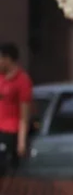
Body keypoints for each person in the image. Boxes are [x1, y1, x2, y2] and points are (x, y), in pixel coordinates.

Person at [0, 43, 33, 178]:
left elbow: (24, 115)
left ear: (8, 59)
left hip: (9, 132)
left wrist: (21, 142)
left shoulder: (22, 81)